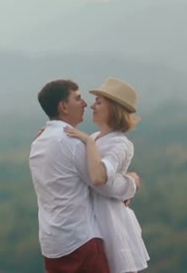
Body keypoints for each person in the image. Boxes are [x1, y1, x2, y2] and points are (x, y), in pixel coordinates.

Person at [29, 79, 141, 273]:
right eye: (78, 98)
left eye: (98, 102)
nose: (86, 104)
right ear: (63, 106)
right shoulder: (75, 143)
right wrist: (132, 182)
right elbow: (100, 183)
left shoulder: (39, 141)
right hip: (80, 239)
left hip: (52, 242)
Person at [64, 77, 149, 272]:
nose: (92, 106)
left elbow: (100, 177)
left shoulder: (119, 143)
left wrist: (129, 184)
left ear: (113, 108)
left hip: (110, 222)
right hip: (90, 220)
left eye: (99, 102)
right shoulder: (94, 137)